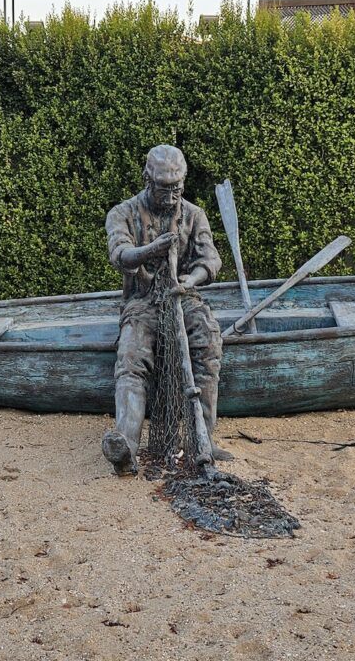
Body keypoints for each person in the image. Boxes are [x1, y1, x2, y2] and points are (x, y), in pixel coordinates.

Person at [102, 145, 231, 475]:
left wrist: (190, 281)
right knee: (131, 357)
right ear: (147, 179)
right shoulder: (123, 213)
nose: (173, 194)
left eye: (178, 186)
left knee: (208, 340)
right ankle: (125, 445)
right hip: (143, 301)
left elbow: (210, 261)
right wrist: (151, 250)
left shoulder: (194, 214)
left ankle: (203, 437)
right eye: (164, 186)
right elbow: (120, 254)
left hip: (183, 297)